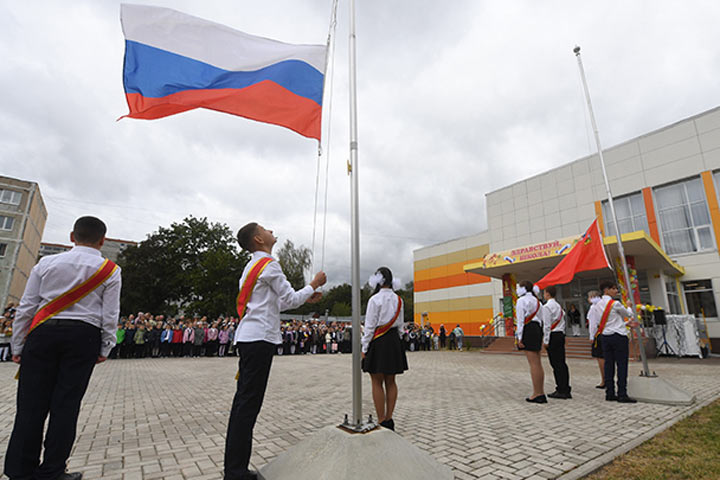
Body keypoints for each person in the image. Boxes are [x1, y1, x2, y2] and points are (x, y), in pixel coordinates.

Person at [5, 216, 121, 480]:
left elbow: (26, 307)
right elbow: (110, 314)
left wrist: (19, 343)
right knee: (66, 406)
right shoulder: (110, 269)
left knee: (30, 405)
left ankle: (19, 470)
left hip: (43, 333)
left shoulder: (46, 263)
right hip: (84, 336)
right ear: (102, 241)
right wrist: (106, 347)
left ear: (71, 237)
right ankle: (53, 471)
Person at [224, 222, 326, 480]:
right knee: (248, 407)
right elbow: (289, 298)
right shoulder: (269, 264)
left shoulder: (252, 266)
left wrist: (306, 295)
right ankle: (235, 472)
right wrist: (312, 285)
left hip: (250, 337)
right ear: (258, 239)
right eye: (265, 229)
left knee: (243, 405)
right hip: (260, 339)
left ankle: (234, 468)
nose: (271, 230)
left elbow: (276, 304)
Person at [361, 267, 408, 431]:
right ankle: (389, 418)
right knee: (391, 381)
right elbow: (401, 326)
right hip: (394, 340)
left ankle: (381, 419)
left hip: (378, 340)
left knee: (376, 380)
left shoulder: (374, 300)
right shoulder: (399, 300)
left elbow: (370, 326)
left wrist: (364, 347)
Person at [596, 281, 638, 403]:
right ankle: (622, 393)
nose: (616, 291)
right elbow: (628, 314)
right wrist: (629, 305)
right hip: (618, 337)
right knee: (621, 364)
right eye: (613, 289)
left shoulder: (597, 305)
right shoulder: (615, 303)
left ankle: (609, 392)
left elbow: (610, 323)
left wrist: (624, 324)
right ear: (606, 290)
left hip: (605, 336)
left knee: (609, 364)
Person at [515, 280, 548, 403]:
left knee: (533, 363)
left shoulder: (521, 301)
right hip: (537, 329)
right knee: (538, 362)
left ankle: (537, 393)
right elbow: (541, 319)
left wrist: (519, 338)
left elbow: (520, 321)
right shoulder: (538, 301)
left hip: (528, 329)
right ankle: (540, 391)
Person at [543, 286, 571, 399]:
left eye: (544, 293)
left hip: (553, 336)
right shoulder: (559, 306)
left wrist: (545, 340)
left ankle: (561, 389)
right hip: (560, 334)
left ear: (548, 294)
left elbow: (547, 325)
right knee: (562, 363)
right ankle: (565, 388)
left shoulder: (547, 307)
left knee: (555, 364)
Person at [586, 290, 606, 389]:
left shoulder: (594, 308)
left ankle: (604, 380)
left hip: (598, 333)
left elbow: (592, 324)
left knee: (600, 357)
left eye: (589, 297)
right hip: (606, 331)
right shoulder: (604, 305)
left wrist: (591, 336)